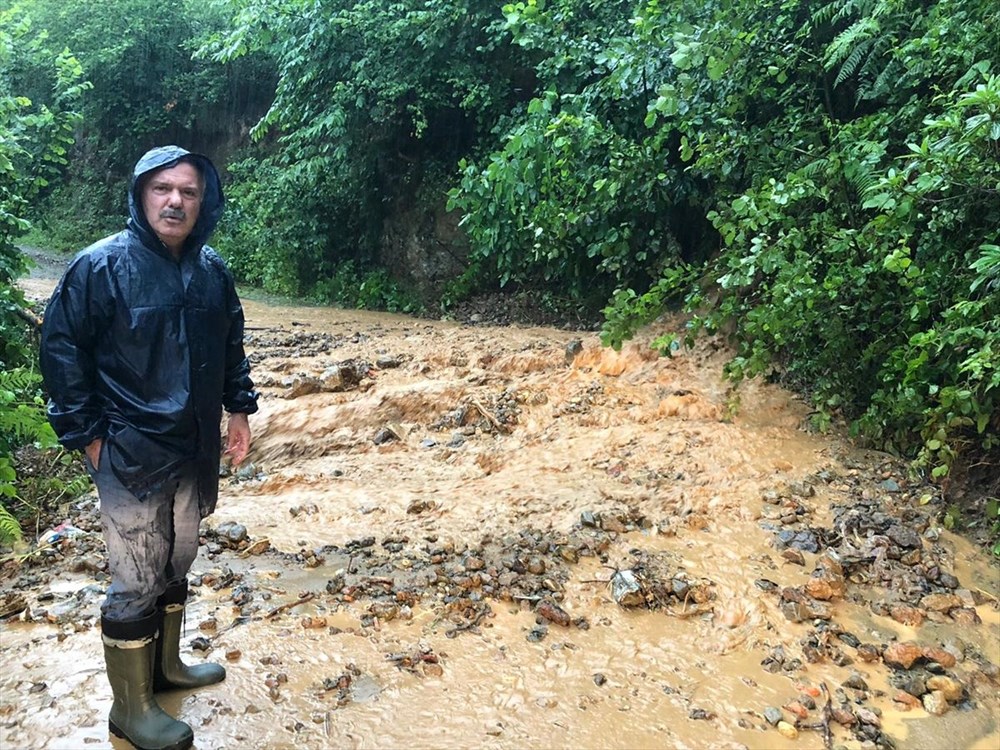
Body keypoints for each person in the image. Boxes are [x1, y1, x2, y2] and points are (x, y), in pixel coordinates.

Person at [40, 145, 258, 750]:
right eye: (163, 188)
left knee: (176, 560)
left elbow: (231, 342)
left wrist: (238, 409)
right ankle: (129, 711)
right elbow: (61, 352)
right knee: (134, 576)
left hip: (194, 446)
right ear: (141, 194)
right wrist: (87, 437)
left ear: (203, 201)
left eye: (188, 191)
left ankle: (166, 669)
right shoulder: (99, 267)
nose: (175, 201)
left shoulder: (212, 270)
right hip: (128, 450)